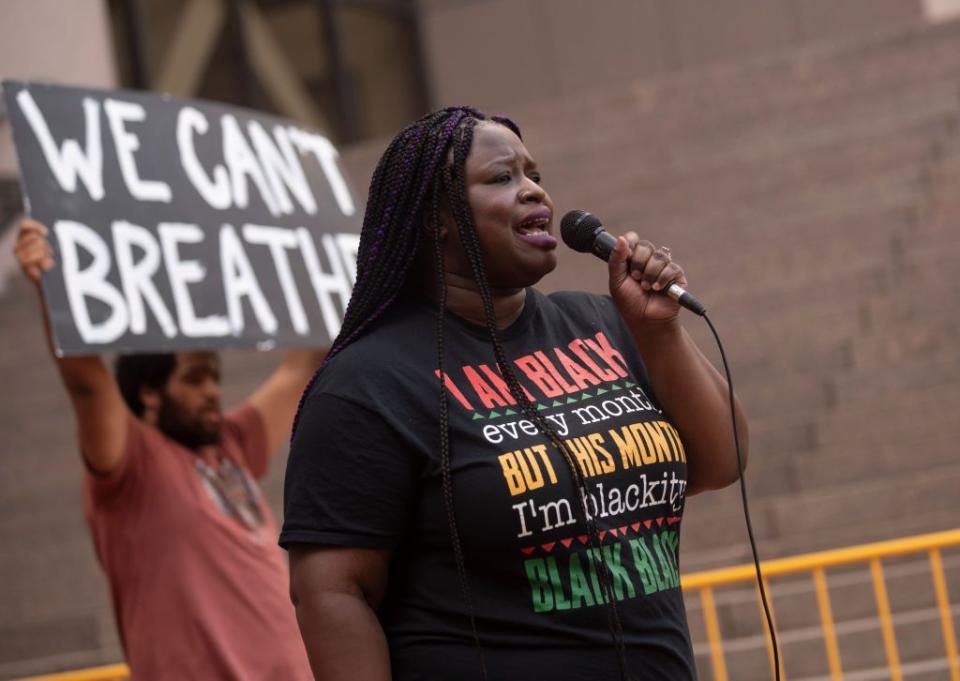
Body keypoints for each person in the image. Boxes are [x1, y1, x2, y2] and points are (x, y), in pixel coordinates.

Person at [281, 107, 749, 681]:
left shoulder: (600, 323)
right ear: (435, 219)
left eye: (535, 176)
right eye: (503, 178)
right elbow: (331, 591)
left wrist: (659, 331)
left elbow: (723, 459)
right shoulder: (367, 384)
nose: (534, 192)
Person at [14, 218, 319, 679]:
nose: (214, 391)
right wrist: (51, 285)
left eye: (214, 376)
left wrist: (320, 261)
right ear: (150, 394)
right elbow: (88, 387)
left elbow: (303, 366)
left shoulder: (231, 445)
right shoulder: (134, 465)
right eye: (195, 378)